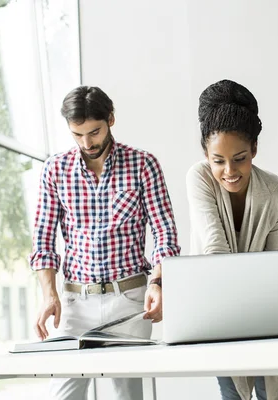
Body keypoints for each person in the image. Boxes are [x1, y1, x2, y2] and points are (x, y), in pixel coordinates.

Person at [29, 85, 180, 399]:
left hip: (128, 300)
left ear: (111, 119)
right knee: (63, 395)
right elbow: (42, 240)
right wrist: (49, 294)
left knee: (127, 396)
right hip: (74, 304)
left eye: (94, 132)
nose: (87, 143)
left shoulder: (143, 165)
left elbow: (165, 233)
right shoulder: (55, 170)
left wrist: (158, 283)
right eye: (77, 135)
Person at [186, 79, 278, 400]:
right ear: (206, 154)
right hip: (216, 315)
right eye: (217, 160)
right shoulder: (199, 177)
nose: (229, 170)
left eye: (240, 158)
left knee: (271, 390)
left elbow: (275, 270)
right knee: (231, 393)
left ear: (255, 150)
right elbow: (214, 248)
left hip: (266, 313)